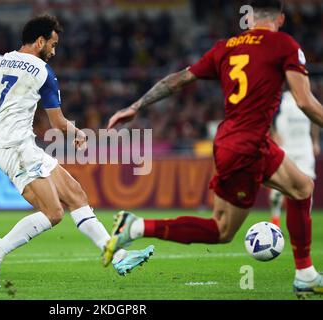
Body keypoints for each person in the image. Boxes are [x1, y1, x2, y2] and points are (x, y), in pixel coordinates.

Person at [102, 0, 323, 297]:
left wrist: (136, 105)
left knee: (302, 187)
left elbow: (178, 79)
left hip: (237, 139)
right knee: (221, 231)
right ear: (280, 19)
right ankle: (137, 227)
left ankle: (305, 274)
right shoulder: (284, 45)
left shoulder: (226, 46)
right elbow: (305, 100)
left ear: (251, 17)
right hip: (247, 147)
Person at [0, 15, 153, 289]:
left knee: (76, 195)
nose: (54, 52)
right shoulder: (43, 72)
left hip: (20, 146)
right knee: (54, 213)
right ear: (40, 41)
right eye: (53, 45)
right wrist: (79, 134)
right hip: (18, 149)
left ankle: (117, 255)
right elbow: (57, 123)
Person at [270, 91, 321, 227]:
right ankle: (275, 218)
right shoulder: (281, 99)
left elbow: (315, 119)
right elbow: (268, 116)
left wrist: (315, 141)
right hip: (286, 147)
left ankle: (304, 222)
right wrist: (274, 134)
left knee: (308, 185)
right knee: (278, 192)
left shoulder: (309, 97)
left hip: (304, 147)